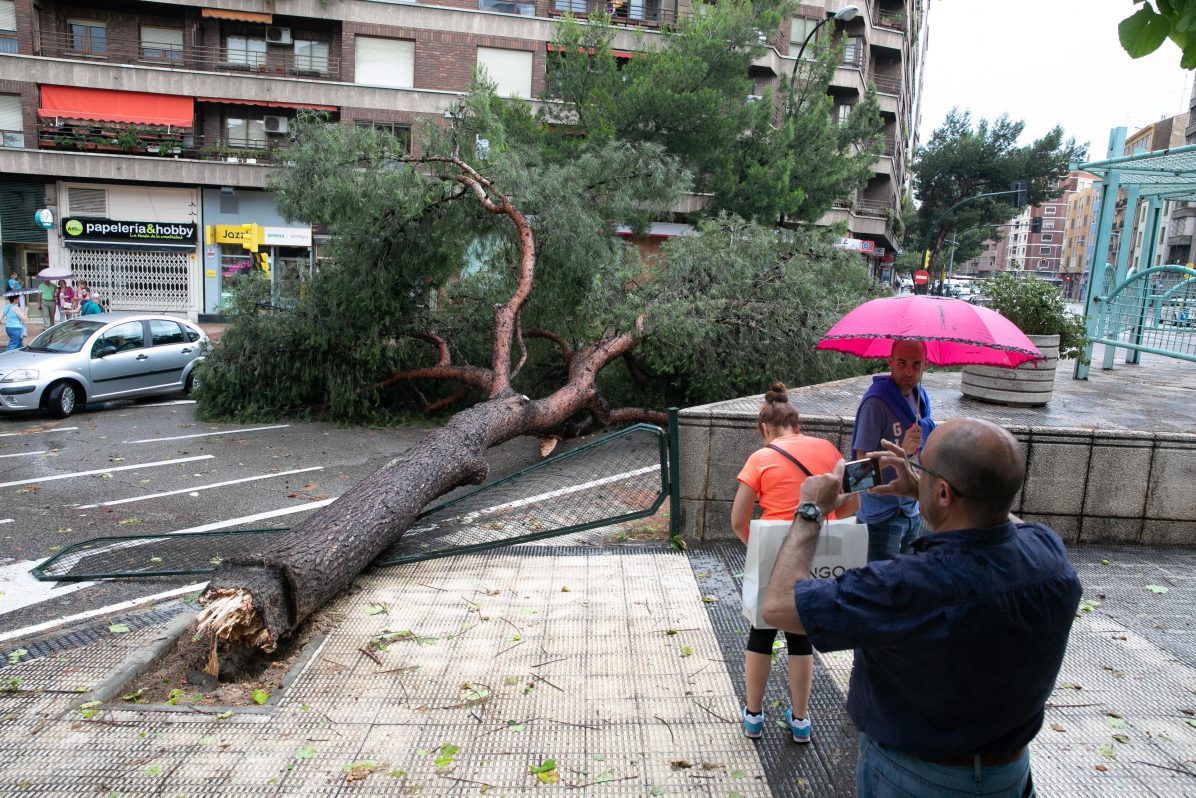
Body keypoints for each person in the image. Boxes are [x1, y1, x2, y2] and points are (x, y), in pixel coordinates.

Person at [763, 417, 1082, 798]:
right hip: (1009, 773)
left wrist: (810, 511)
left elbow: (780, 606)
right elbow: (995, 514)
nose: (915, 471)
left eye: (921, 466)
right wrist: (921, 490)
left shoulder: (910, 585)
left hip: (914, 778)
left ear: (945, 493)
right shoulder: (1049, 553)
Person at [730, 382, 845, 745]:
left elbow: (737, 520)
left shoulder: (760, 458)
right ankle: (800, 721)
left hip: (772, 553)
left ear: (765, 428)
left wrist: (759, 551)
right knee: (800, 636)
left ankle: (753, 717)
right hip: (816, 553)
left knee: (761, 633)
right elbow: (850, 508)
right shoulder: (827, 450)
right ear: (798, 424)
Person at [851, 338, 934, 560]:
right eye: (902, 363)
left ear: (925, 364)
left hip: (912, 510)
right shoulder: (875, 403)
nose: (909, 371)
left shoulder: (921, 398)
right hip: (880, 516)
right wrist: (902, 451)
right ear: (890, 362)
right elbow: (859, 474)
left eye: (916, 364)